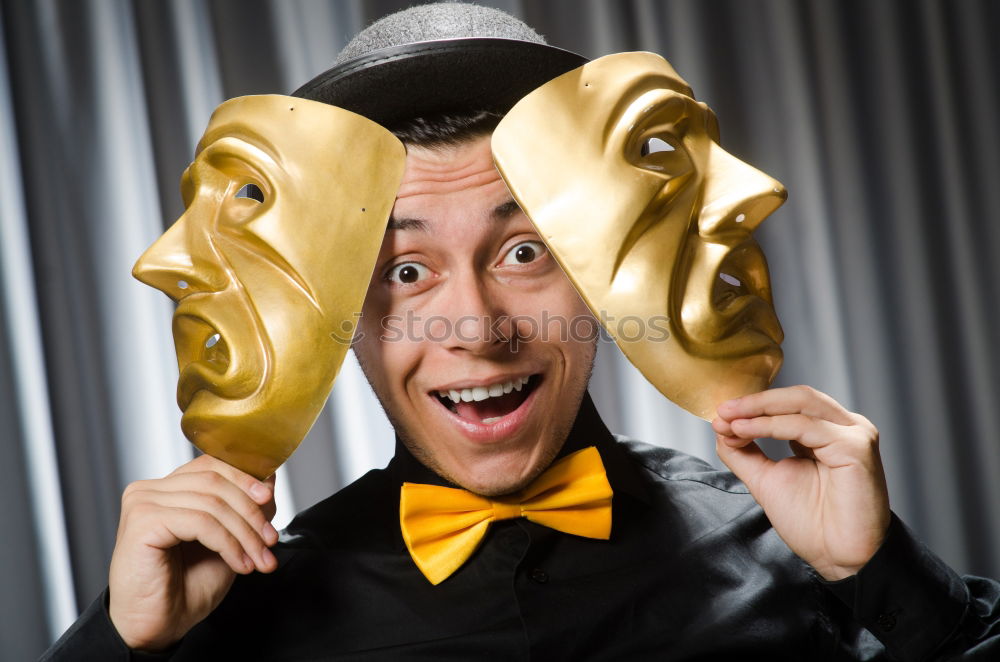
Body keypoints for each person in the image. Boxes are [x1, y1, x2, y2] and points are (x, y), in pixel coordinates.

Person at [42, 3, 1000, 660]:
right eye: (403, 272)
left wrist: (883, 578)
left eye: (523, 253)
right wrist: (120, 645)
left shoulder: (796, 552)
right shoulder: (238, 616)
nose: (476, 329)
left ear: (597, 271)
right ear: (336, 313)